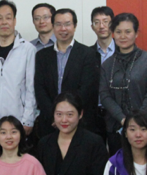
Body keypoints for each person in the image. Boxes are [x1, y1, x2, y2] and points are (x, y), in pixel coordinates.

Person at [99, 13, 147, 155]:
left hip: (145, 127)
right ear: (113, 33)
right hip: (116, 127)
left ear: (136, 33)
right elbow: (105, 96)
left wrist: (136, 122)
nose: (123, 36)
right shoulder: (107, 65)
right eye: (118, 32)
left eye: (128, 32)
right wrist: (123, 119)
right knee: (120, 164)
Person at [34, 8, 100, 138]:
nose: (63, 28)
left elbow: (87, 89)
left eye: (67, 24)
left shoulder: (89, 55)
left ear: (75, 26)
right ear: (53, 26)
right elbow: (40, 88)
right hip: (49, 123)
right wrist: (55, 116)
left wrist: (68, 116)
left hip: (79, 122)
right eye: (58, 24)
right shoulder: (42, 55)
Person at [0, 0, 37, 142]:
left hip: (17, 120)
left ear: (14, 20)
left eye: (8, 18)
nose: (4, 22)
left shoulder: (28, 50)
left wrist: (28, 119)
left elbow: (31, 88)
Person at [90, 6, 115, 137]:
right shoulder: (87, 54)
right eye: (97, 22)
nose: (101, 26)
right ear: (92, 27)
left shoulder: (123, 52)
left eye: (106, 21)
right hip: (94, 114)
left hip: (117, 113)